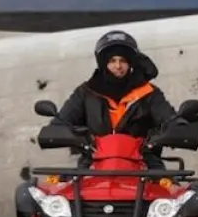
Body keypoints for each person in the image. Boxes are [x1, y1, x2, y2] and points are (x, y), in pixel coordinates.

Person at [46, 30, 188, 169]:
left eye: (123, 61)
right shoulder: (85, 92)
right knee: (52, 191)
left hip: (144, 164)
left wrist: (177, 126)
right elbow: (62, 121)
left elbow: (168, 117)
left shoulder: (149, 93)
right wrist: (64, 131)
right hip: (93, 165)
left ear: (130, 63)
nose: (118, 66)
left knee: (177, 191)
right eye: (112, 61)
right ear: (104, 64)